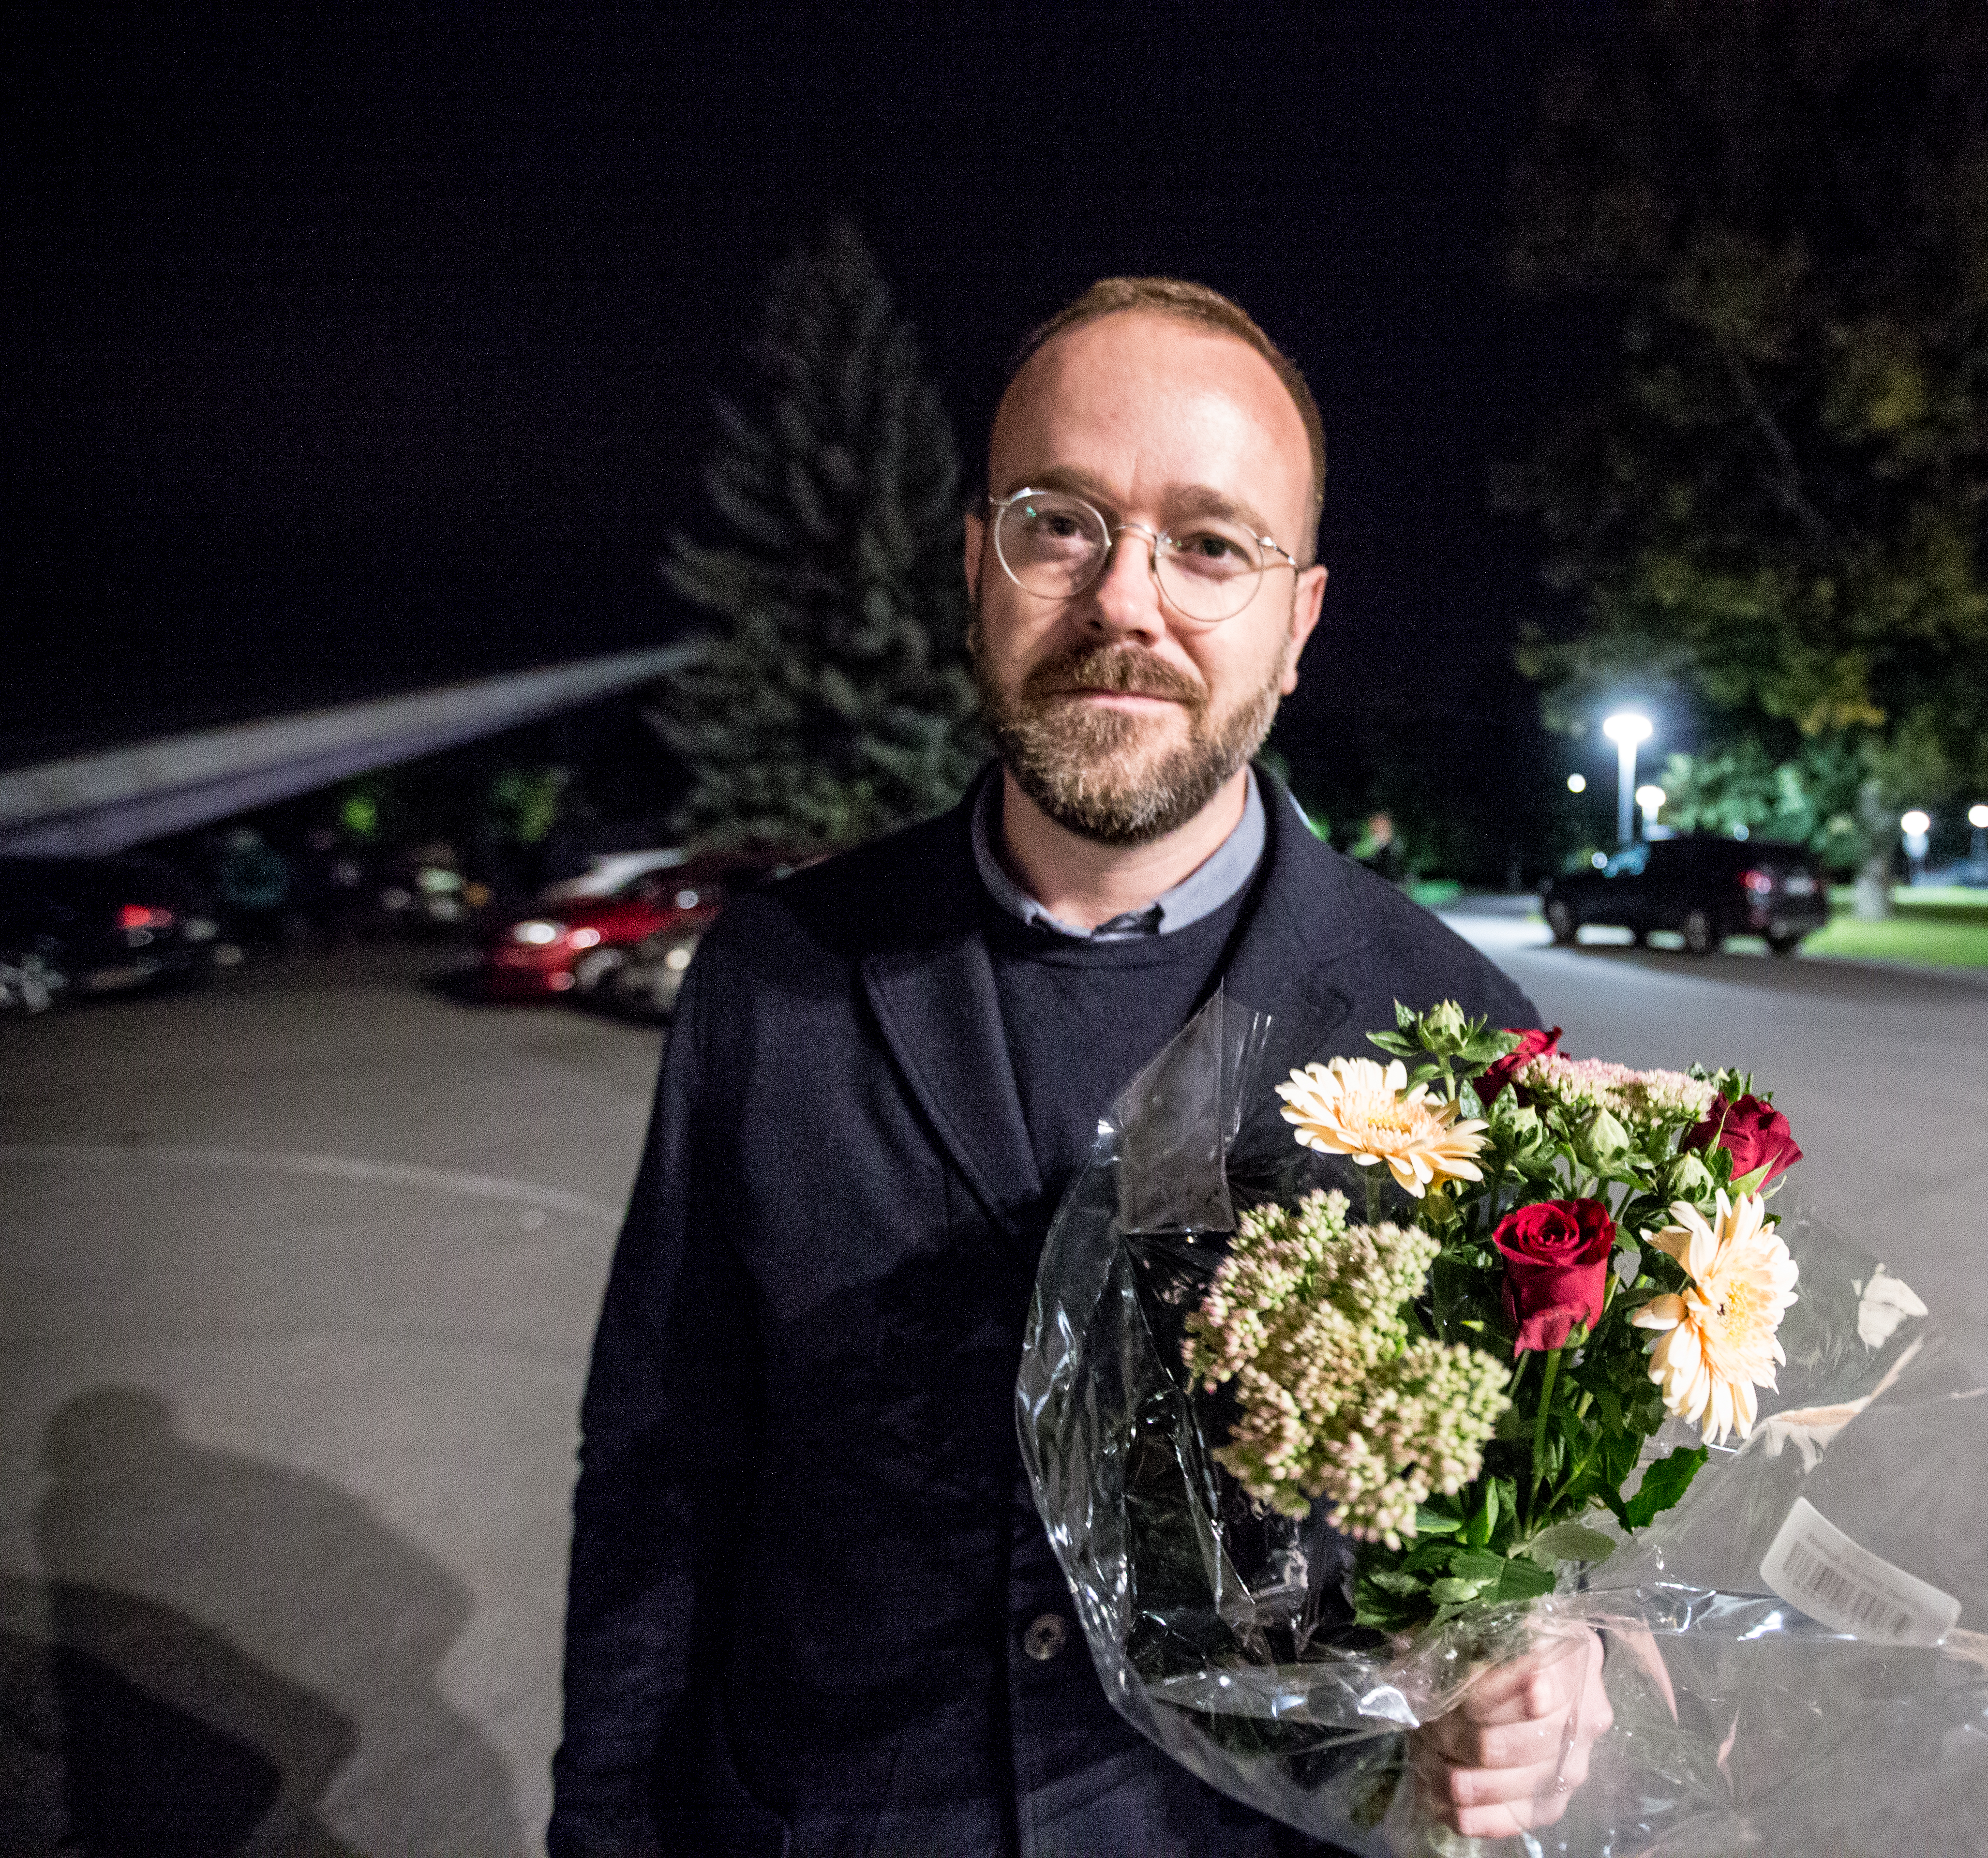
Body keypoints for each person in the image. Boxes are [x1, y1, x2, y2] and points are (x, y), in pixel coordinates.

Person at [550, 279, 1611, 1858]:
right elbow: (661, 1484)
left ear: (1299, 620)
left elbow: (1527, 1516)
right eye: (1062, 524)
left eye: (1208, 542)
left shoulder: (1460, 1034)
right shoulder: (772, 986)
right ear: (977, 562)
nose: (1128, 599)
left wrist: (1553, 1641)